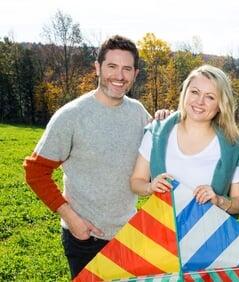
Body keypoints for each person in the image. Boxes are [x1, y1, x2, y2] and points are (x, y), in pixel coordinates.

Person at [23, 35, 152, 278]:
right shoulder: (71, 116)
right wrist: (71, 218)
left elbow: (157, 156)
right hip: (85, 238)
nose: (119, 76)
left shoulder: (138, 113)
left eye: (127, 69)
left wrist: (164, 121)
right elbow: (35, 171)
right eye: (112, 66)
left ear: (135, 74)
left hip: (128, 235)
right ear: (97, 68)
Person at [130, 65, 239, 216]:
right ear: (185, 93)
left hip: (207, 235)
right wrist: (150, 187)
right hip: (162, 233)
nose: (200, 102)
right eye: (195, 92)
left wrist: (220, 201)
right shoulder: (156, 133)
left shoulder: (230, 146)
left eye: (210, 97)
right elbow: (136, 181)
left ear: (220, 105)